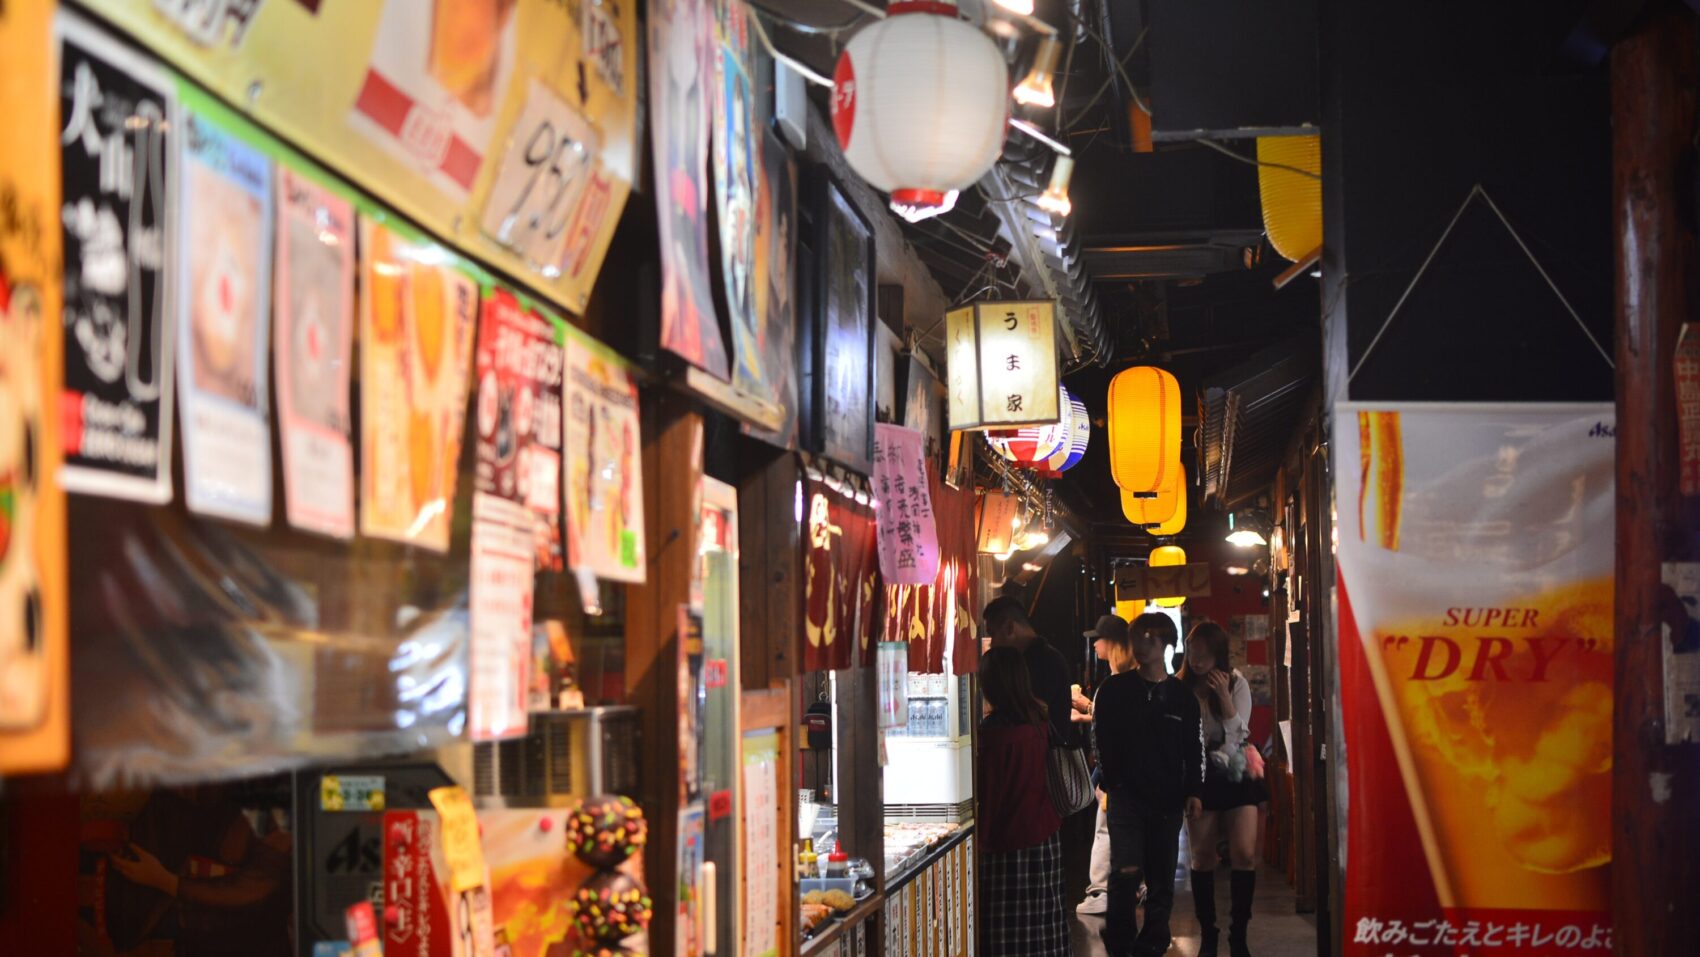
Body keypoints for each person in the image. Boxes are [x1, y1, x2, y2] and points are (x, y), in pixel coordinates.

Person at [1092, 612, 1204, 957]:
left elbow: (1193, 746)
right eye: (1136, 637)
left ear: (1166, 643)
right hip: (1126, 795)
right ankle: (1121, 941)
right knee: (1125, 870)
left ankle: (1153, 942)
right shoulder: (1114, 689)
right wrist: (1112, 779)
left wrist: (1194, 791)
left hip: (1167, 798)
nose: (1141, 645)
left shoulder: (1182, 697)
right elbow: (1101, 737)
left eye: (1149, 638)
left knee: (1161, 876)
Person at [1179, 621, 1268, 957]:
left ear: (1218, 654)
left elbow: (1240, 731)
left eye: (1204, 653)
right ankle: (1209, 934)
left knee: (1243, 853)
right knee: (1202, 858)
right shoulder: (1180, 688)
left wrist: (1223, 696)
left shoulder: (1236, 682)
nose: (1197, 659)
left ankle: (1238, 937)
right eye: (1193, 652)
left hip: (1235, 770)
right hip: (1199, 772)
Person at [977, 645, 1069, 955]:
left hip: (1005, 844)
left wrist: (979, 842)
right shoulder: (1039, 722)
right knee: (1045, 923)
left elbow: (990, 798)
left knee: (1007, 932)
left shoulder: (990, 736)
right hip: (1044, 839)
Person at [1074, 613, 1138, 917]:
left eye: (1098, 639)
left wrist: (1086, 707)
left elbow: (1116, 725)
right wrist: (1088, 710)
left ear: (1111, 643)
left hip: (1114, 771)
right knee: (1121, 829)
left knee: (1105, 829)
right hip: (1124, 770)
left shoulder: (1116, 682)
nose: (1094, 645)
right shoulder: (1132, 678)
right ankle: (1133, 885)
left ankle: (1101, 891)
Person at [983, 595, 1076, 746]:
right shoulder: (1042, 657)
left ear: (1010, 628)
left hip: (1040, 756)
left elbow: (1026, 716)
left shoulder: (1042, 662)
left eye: (993, 634)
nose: (991, 644)